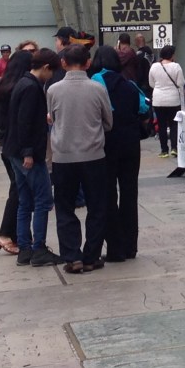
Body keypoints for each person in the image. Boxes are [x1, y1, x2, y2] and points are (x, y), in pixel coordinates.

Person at [47, 45, 112, 274]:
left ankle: (72, 256)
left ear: (63, 63)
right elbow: (108, 122)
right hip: (93, 154)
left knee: (64, 207)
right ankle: (91, 256)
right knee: (97, 206)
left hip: (63, 156)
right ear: (87, 63)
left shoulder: (53, 90)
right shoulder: (97, 89)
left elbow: (52, 118)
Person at [3, 49, 62, 267]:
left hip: (14, 150)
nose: (52, 76)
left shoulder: (23, 83)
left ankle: (25, 249)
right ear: (45, 67)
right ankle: (38, 249)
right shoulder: (31, 87)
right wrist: (28, 152)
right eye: (52, 71)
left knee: (25, 201)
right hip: (27, 153)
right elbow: (24, 121)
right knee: (43, 200)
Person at [90, 46, 142, 262]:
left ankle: (115, 248)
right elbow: (143, 109)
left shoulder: (95, 84)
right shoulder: (129, 86)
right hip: (130, 144)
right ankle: (130, 245)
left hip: (106, 144)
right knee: (129, 194)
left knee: (108, 195)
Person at [0, 50, 34, 255]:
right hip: (17, 146)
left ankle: (15, 234)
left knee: (19, 189)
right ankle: (7, 234)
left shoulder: (5, 87)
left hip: (7, 144)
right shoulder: (21, 88)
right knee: (19, 189)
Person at [148, 45, 185, 157]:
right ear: (172, 55)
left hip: (158, 100)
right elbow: (180, 83)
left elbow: (151, 83)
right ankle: (174, 148)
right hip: (173, 99)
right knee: (174, 124)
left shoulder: (154, 67)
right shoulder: (176, 66)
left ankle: (164, 150)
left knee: (161, 125)